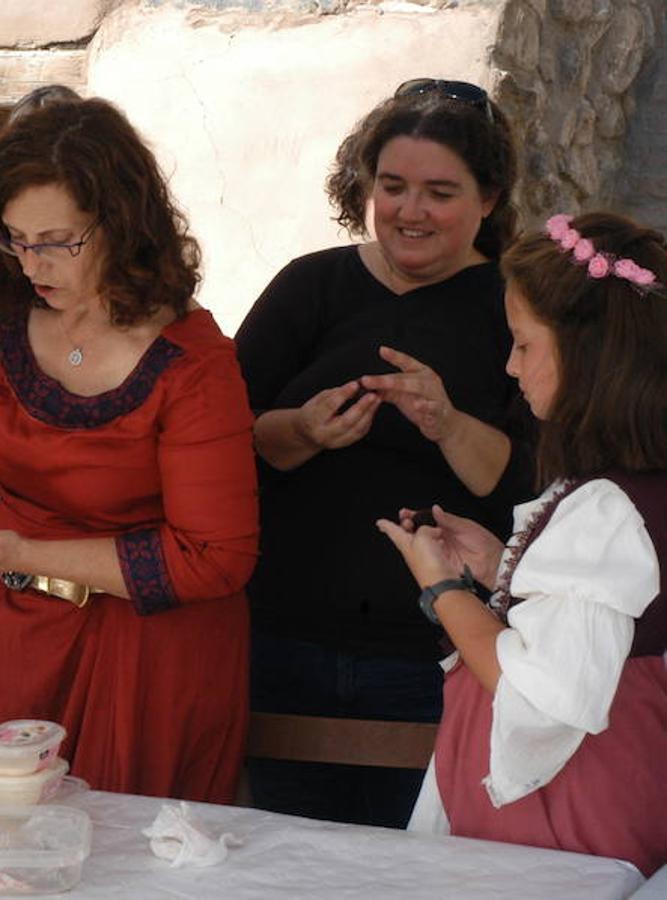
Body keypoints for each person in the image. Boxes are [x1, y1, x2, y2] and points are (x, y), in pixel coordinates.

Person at [0, 98, 259, 802]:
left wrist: (21, 553)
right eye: (14, 239)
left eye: (58, 241)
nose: (32, 262)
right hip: (23, 638)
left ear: (121, 224)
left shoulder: (192, 360)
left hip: (150, 655)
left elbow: (215, 558)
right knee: (8, 843)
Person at [234, 79, 534, 826]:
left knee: (421, 861)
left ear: (488, 199)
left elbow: (528, 481)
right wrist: (298, 432)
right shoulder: (310, 286)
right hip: (284, 641)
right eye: (392, 187)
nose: (410, 211)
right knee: (285, 859)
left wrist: (447, 422)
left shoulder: (513, 305)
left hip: (438, 652)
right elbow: (221, 436)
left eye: (439, 192)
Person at [379, 212, 667, 876]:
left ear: (585, 354)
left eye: (523, 345)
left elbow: (541, 693)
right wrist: (498, 567)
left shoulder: (605, 510)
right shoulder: (632, 490)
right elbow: (604, 621)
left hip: (564, 824)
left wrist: (444, 592)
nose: (510, 367)